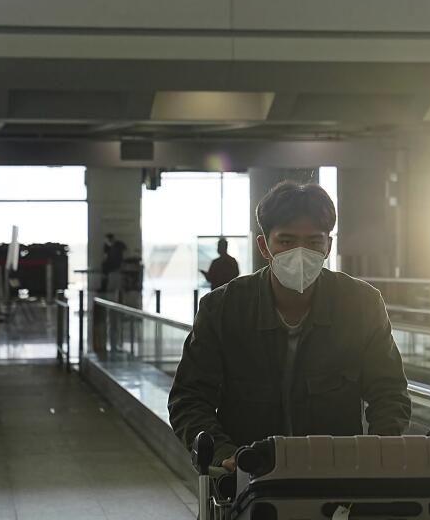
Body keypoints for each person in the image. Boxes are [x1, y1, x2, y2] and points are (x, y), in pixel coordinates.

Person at [168, 180, 411, 471]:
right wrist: (225, 453)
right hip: (246, 478)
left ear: (328, 246)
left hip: (336, 478)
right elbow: (189, 399)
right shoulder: (223, 309)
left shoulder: (361, 306)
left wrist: (376, 450)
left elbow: (389, 392)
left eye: (313, 242)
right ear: (264, 246)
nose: (300, 252)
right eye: (286, 241)